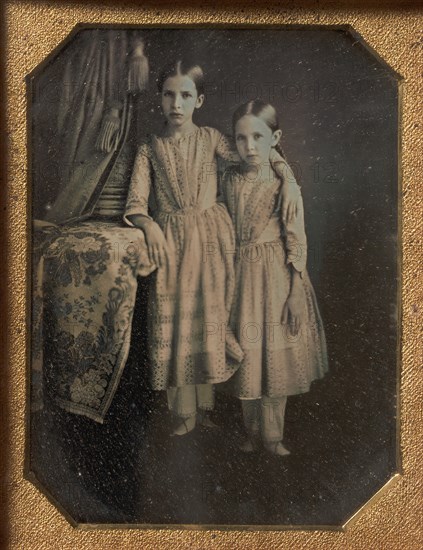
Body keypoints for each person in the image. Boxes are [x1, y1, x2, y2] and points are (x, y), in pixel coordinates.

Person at [124, 61, 300, 436]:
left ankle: (206, 406)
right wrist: (149, 224)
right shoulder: (150, 148)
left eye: (186, 96)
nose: (177, 104)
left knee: (210, 319)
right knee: (178, 321)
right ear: (159, 99)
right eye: (169, 95)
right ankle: (183, 412)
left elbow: (257, 156)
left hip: (214, 239)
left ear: (199, 100)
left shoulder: (211, 138)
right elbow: (136, 203)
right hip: (172, 242)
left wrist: (288, 179)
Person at [222, 99, 328, 455]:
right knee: (249, 355)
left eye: (258, 136)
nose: (249, 146)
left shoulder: (285, 185)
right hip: (240, 277)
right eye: (240, 138)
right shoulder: (228, 176)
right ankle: (253, 434)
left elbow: (296, 236)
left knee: (276, 356)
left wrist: (296, 288)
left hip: (278, 277)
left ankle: (273, 436)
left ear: (275, 136)